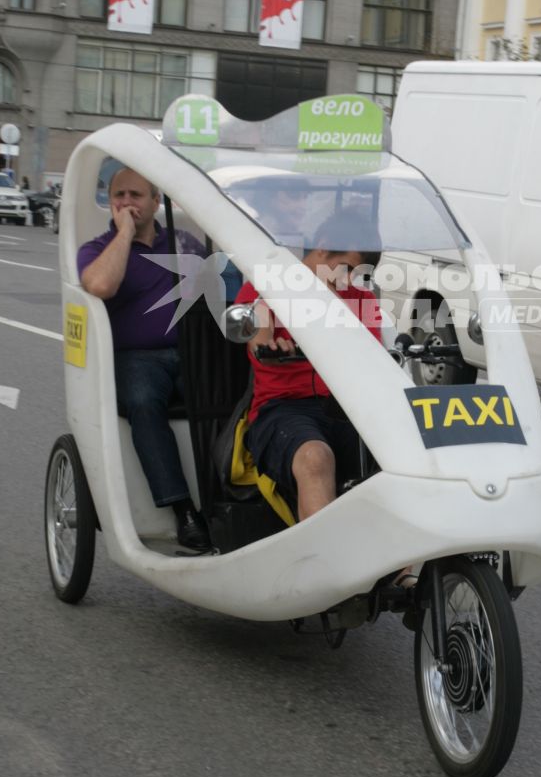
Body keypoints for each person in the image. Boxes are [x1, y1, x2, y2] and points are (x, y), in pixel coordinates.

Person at [77, 166, 213, 553]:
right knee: (143, 401)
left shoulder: (184, 243)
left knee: (232, 392)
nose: (126, 203)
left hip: (187, 353)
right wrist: (124, 233)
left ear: (157, 201)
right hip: (133, 359)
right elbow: (101, 285)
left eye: (136, 196)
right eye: (119, 195)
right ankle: (183, 510)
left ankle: (230, 497)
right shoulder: (97, 248)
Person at [235, 216, 385, 521]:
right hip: (282, 409)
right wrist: (271, 347)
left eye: (357, 275)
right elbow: (257, 340)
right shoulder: (268, 285)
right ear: (322, 248)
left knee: (404, 457)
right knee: (315, 458)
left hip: (346, 409)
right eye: (345, 269)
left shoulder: (361, 299)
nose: (347, 282)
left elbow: (374, 361)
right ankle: (325, 566)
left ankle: (401, 568)